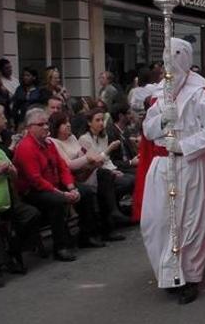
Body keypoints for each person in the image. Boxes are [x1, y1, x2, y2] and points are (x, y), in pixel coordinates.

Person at [140, 38, 205, 304]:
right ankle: (168, 272)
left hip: (189, 164)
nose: (170, 62)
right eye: (167, 56)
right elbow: (147, 129)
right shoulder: (159, 95)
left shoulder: (199, 94)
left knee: (190, 221)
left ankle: (189, 276)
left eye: (175, 55)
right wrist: (163, 117)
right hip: (162, 165)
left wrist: (184, 145)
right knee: (157, 221)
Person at [13, 108, 85, 262]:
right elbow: (36, 181)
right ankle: (60, 247)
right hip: (32, 192)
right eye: (41, 124)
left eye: (46, 123)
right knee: (57, 202)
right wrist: (62, 193)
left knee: (86, 192)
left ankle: (87, 235)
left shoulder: (49, 144)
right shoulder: (26, 147)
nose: (46, 127)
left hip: (53, 186)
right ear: (30, 128)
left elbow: (62, 167)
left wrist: (71, 187)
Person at [0, 117, 39, 287]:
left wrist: (10, 170)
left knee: (31, 214)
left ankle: (12, 252)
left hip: (4, 203)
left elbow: (15, 175)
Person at [49, 111, 125, 243]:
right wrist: (87, 158)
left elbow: (82, 153)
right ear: (56, 127)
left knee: (105, 175)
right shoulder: (54, 142)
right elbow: (69, 164)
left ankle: (109, 224)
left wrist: (90, 160)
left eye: (68, 122)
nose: (68, 125)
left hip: (85, 171)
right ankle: (95, 230)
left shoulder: (72, 137)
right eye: (63, 123)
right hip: (72, 177)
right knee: (90, 189)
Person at [77, 108, 133, 226]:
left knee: (131, 179)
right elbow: (96, 160)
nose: (101, 123)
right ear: (89, 123)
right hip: (93, 173)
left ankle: (121, 211)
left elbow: (106, 161)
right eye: (97, 120)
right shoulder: (84, 139)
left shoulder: (103, 137)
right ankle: (113, 212)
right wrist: (109, 149)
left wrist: (114, 170)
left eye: (102, 120)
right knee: (123, 181)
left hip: (106, 171)